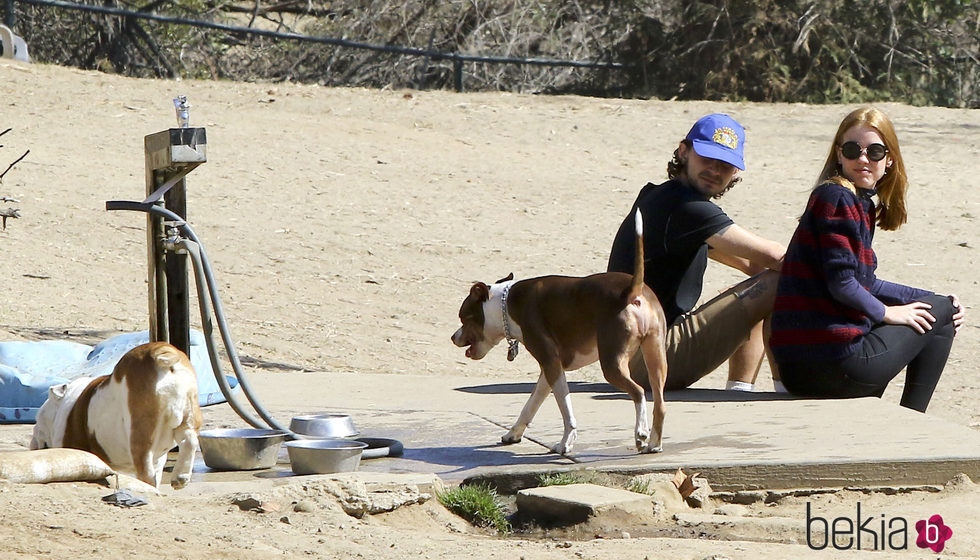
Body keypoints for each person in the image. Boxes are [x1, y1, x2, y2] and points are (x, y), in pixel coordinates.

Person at [769, 107, 966, 412]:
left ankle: (903, 419)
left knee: (940, 307)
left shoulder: (853, 202)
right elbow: (843, 284)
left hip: (799, 369)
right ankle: (912, 420)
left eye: (874, 152)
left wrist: (930, 299)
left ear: (889, 161)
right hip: (832, 362)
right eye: (852, 150)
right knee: (942, 312)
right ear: (838, 155)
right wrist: (888, 313)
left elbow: (865, 282)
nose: (863, 159)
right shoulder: (838, 197)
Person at [607, 113, 785, 392]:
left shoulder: (659, 196)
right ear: (684, 151)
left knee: (759, 285)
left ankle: (739, 390)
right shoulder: (685, 207)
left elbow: (754, 265)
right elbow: (776, 257)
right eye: (707, 159)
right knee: (779, 282)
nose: (714, 170)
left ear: (735, 172)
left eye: (725, 165)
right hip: (649, 358)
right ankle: (785, 390)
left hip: (626, 354)